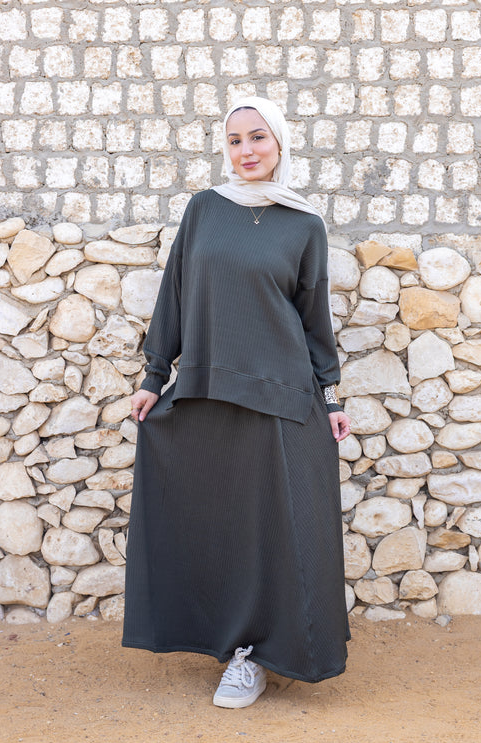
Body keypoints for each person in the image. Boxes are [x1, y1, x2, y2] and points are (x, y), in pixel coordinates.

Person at [122, 96, 351, 709]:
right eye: (234, 140)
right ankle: (229, 643)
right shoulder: (205, 209)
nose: (246, 150)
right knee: (220, 522)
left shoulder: (303, 224)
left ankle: (256, 653)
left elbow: (313, 316)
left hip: (281, 394)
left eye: (258, 137)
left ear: (280, 143)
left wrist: (330, 394)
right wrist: (153, 375)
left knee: (278, 526)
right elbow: (174, 293)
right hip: (210, 388)